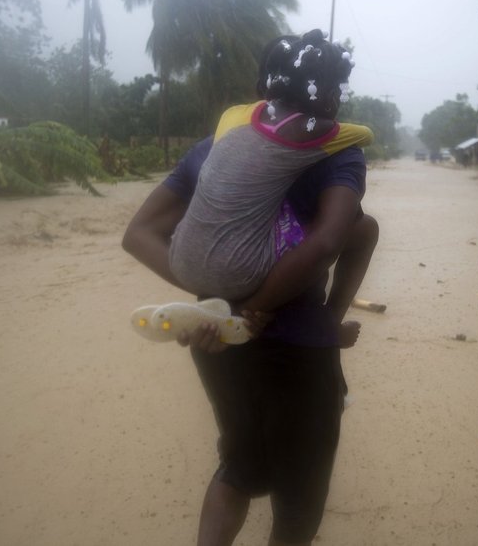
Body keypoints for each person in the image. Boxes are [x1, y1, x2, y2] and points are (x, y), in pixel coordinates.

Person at [122, 35, 378, 545]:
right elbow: (331, 238)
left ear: (262, 87)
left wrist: (217, 306)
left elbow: (139, 234)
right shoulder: (333, 154)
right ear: (333, 95)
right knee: (300, 497)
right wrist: (267, 309)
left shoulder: (213, 149)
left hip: (215, 337)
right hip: (300, 345)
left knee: (239, 467)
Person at [167, 28, 373, 303]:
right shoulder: (317, 134)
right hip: (242, 276)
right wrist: (257, 307)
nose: (338, 100)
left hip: (180, 262)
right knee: (364, 228)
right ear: (326, 93)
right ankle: (326, 320)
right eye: (337, 91)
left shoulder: (232, 117)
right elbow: (365, 134)